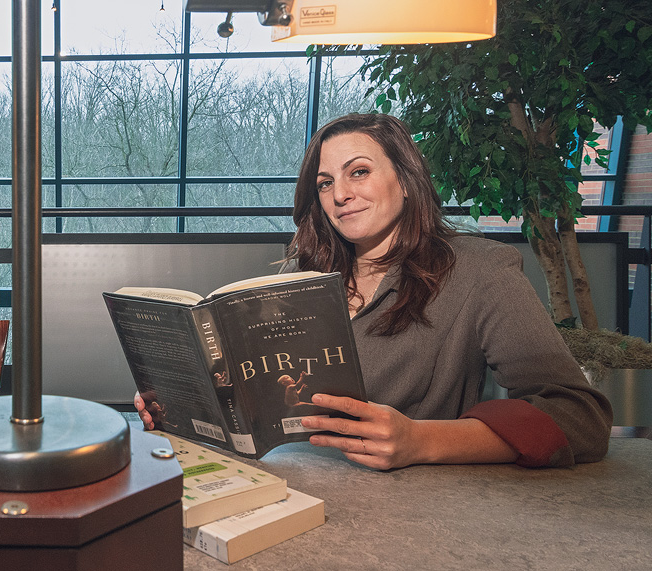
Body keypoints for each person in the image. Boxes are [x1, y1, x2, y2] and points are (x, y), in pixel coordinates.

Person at [138, 113, 611, 470]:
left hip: (409, 510)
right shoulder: (301, 277)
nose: (339, 194)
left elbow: (581, 416)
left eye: (358, 172)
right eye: (325, 183)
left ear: (406, 181)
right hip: (290, 487)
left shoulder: (477, 272)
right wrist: (187, 404)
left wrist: (422, 440)